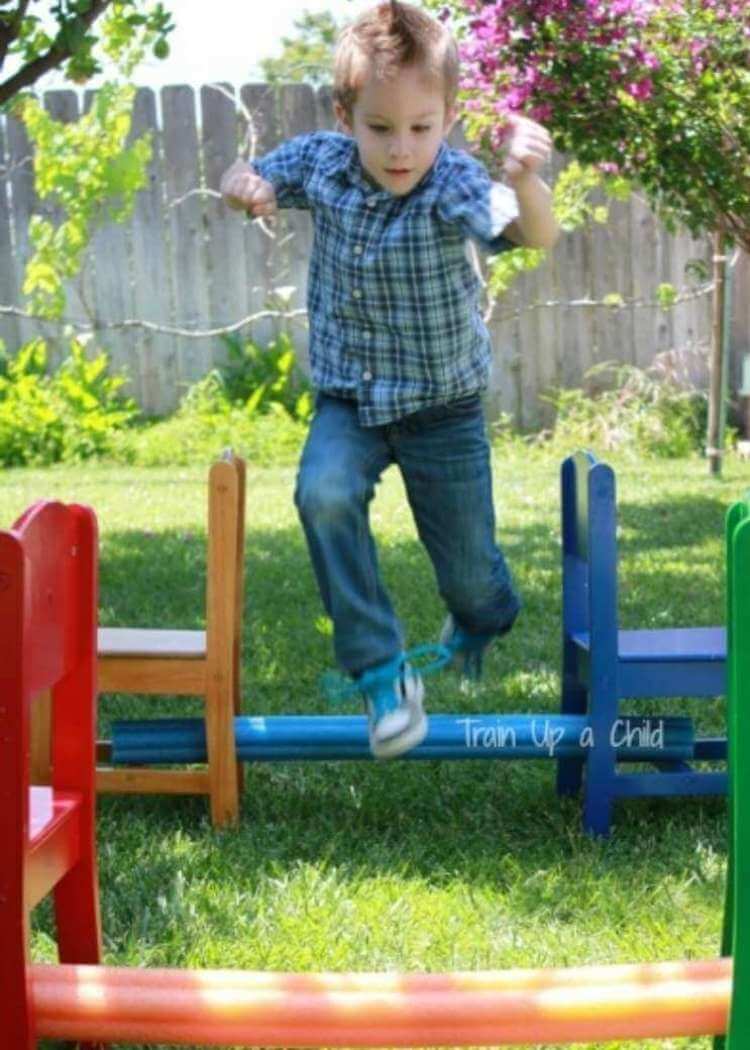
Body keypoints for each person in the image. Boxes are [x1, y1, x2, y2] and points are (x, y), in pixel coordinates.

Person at [221, 0, 560, 759]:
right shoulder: (321, 162)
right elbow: (246, 174)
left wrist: (529, 180)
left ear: (445, 119)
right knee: (323, 493)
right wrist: (242, 185)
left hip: (444, 409)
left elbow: (531, 233)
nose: (402, 148)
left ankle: (482, 619)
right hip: (351, 401)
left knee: (472, 578)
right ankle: (380, 671)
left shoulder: (454, 183)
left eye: (421, 127)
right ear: (347, 116)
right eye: (381, 128)